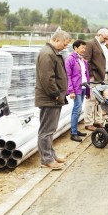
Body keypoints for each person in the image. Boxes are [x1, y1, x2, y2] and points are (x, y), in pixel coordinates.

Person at [35, 30, 70, 170]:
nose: (65, 47)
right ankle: (46, 159)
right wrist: (55, 93)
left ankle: (51, 155)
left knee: (51, 129)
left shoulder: (52, 52)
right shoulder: (47, 54)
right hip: (50, 98)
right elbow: (47, 78)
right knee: (46, 130)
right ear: (56, 40)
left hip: (53, 98)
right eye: (64, 44)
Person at [83, 28, 108, 131]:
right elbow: (86, 61)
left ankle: (98, 121)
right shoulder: (90, 44)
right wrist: (92, 74)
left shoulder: (104, 45)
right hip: (95, 76)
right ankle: (88, 122)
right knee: (91, 99)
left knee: (101, 100)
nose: (107, 39)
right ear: (99, 35)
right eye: (105, 38)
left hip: (104, 76)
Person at [65, 40, 90, 142]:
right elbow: (68, 76)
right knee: (77, 109)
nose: (84, 50)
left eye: (85, 48)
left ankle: (75, 130)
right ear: (75, 48)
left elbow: (85, 75)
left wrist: (88, 91)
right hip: (76, 88)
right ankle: (73, 133)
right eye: (82, 47)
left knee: (78, 110)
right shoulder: (70, 59)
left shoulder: (82, 60)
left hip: (84, 87)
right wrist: (71, 90)